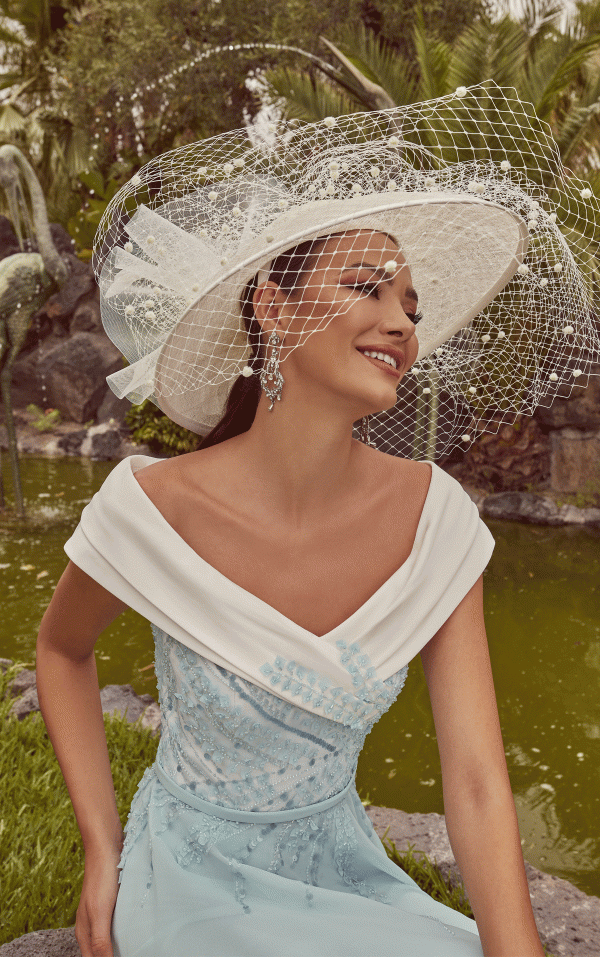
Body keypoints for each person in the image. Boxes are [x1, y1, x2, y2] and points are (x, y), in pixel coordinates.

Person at [35, 81, 599, 957]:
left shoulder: (437, 519)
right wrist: (104, 851)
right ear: (269, 303)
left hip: (339, 864)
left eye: (410, 305)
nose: (401, 322)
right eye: (369, 288)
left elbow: (481, 781)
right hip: (187, 868)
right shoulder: (149, 508)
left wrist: (517, 948)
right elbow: (61, 651)